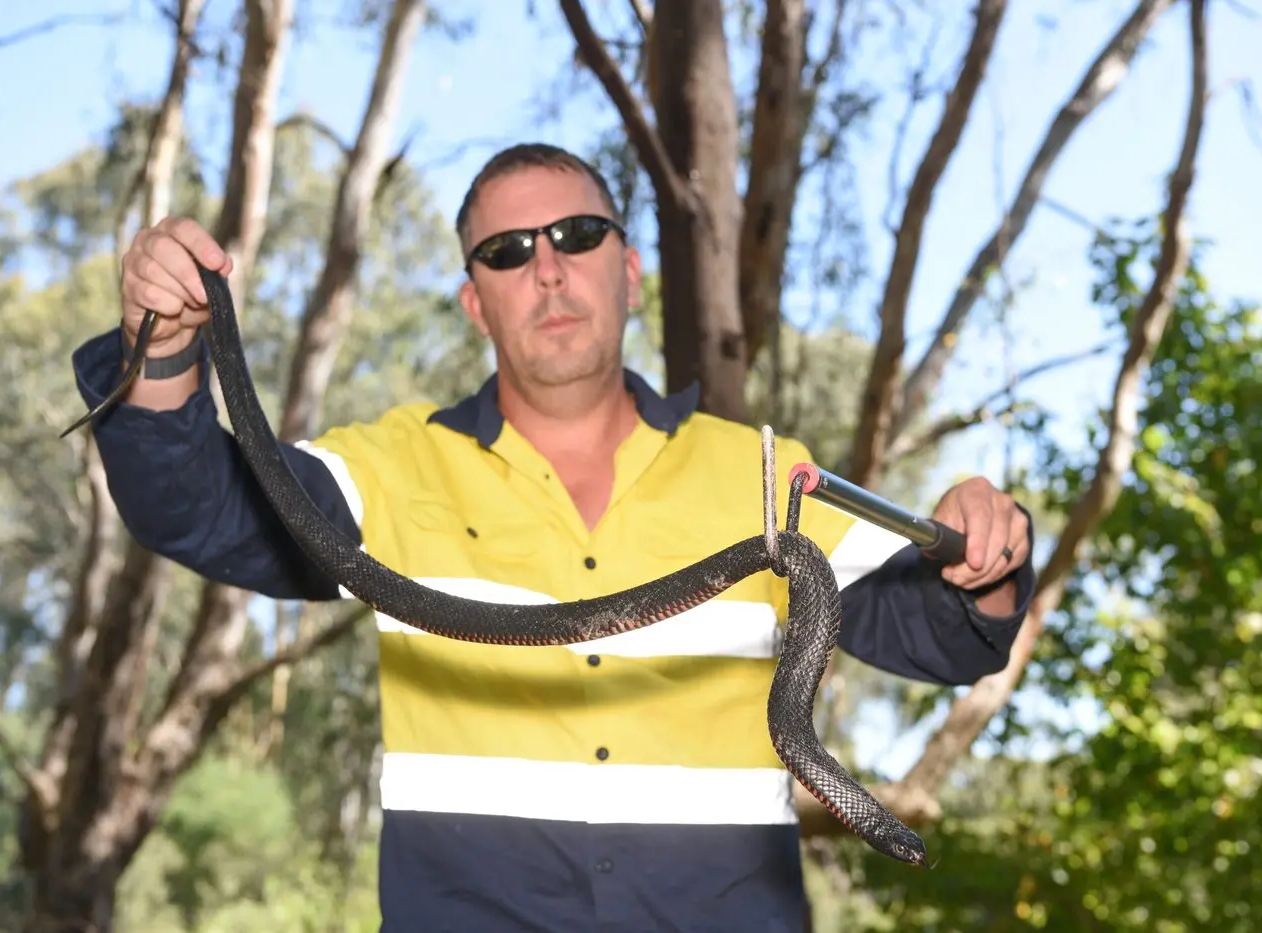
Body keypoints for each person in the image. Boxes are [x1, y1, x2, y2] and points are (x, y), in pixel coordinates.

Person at [72, 142, 1035, 933]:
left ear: (629, 271)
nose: (547, 266)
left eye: (577, 235)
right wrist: (161, 354)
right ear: (473, 303)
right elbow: (195, 507)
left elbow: (949, 630)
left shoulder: (765, 471)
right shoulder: (393, 469)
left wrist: (985, 549)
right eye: (506, 252)